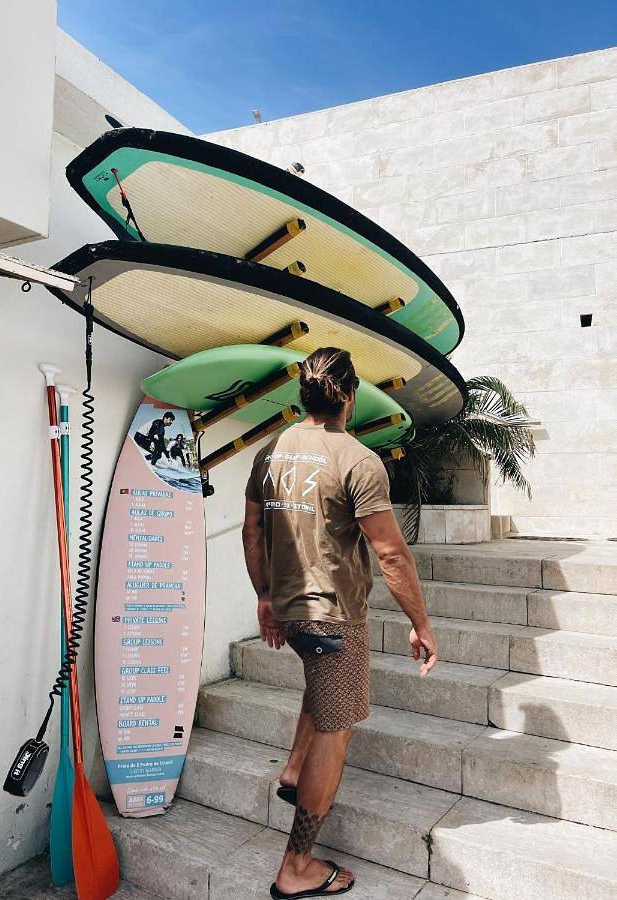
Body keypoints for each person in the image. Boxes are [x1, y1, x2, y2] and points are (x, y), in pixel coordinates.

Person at [242, 347, 438, 899]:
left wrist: (263, 597)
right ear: (349, 397)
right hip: (334, 620)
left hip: (289, 610)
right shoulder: (358, 460)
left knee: (321, 691)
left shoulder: (270, 451)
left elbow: (253, 532)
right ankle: (296, 866)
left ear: (303, 395)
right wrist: (421, 625)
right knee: (337, 726)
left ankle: (292, 771)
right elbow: (392, 556)